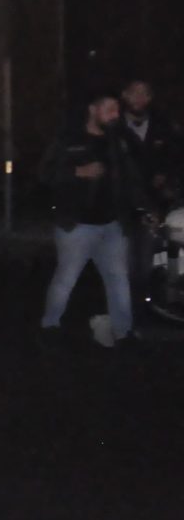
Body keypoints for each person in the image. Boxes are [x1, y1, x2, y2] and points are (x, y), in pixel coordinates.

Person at [38, 88, 152, 350]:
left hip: (112, 224)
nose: (115, 115)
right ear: (93, 109)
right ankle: (50, 325)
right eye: (109, 109)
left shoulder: (118, 142)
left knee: (117, 278)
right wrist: (77, 171)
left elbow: (131, 179)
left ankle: (123, 332)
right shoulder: (69, 138)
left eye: (117, 110)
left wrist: (143, 208)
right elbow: (45, 173)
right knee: (66, 278)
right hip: (77, 224)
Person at [118, 79, 180, 306]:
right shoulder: (114, 128)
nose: (139, 98)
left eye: (144, 94)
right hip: (121, 206)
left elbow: (176, 158)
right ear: (125, 95)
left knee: (146, 262)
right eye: (134, 93)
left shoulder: (163, 126)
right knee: (122, 264)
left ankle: (144, 309)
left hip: (153, 205)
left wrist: (165, 176)